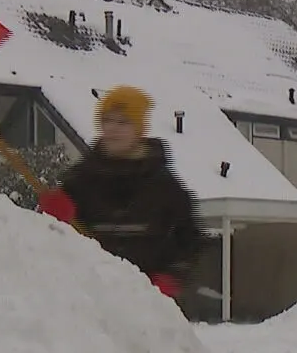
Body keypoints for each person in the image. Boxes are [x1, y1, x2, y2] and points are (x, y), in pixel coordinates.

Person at [37, 85, 203, 299]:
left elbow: (190, 238)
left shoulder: (162, 184)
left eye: (123, 122)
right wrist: (52, 216)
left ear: (139, 129)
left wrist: (173, 275)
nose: (113, 128)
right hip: (90, 296)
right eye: (107, 120)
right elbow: (49, 240)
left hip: (148, 299)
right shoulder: (81, 179)